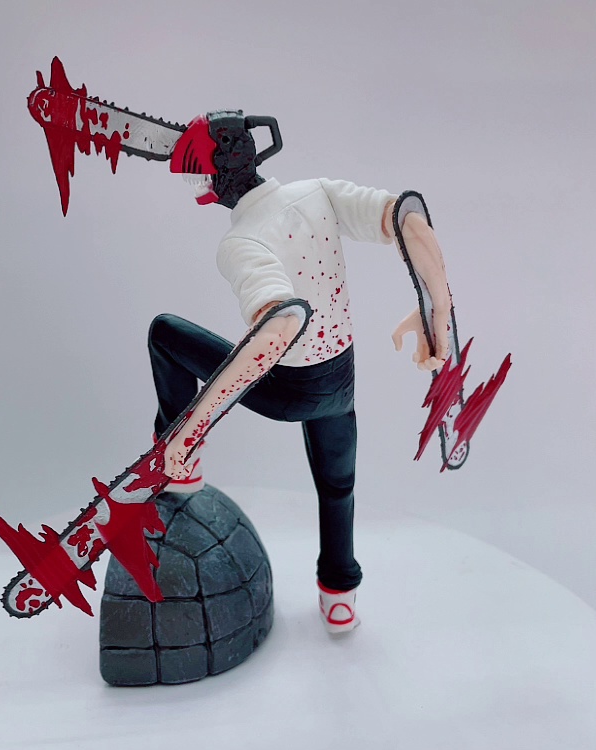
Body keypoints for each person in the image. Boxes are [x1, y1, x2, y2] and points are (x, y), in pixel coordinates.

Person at [148, 110, 450, 633]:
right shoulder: (318, 194)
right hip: (342, 382)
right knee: (338, 485)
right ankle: (340, 595)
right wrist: (436, 307)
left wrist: (190, 427)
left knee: (164, 334)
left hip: (287, 390)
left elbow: (278, 324)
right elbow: (406, 217)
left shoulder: (240, 242)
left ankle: (183, 460)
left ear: (216, 177)